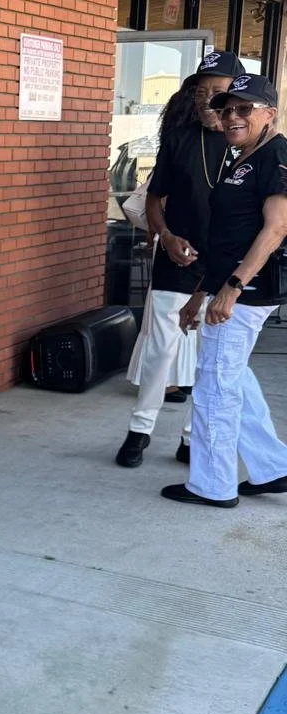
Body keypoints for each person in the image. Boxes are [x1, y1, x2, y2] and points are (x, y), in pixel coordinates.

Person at [163, 72, 287, 507]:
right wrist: (201, 292)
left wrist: (232, 289)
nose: (232, 116)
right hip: (226, 285)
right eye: (227, 108)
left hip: (246, 291)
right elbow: (228, 236)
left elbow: (277, 228)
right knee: (233, 377)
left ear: (269, 113)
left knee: (215, 387)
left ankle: (212, 485)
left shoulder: (276, 155)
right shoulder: (244, 155)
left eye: (244, 108)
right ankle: (273, 466)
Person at [115, 49, 240, 468]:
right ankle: (139, 430)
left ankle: (191, 437)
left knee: (211, 356)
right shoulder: (179, 139)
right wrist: (165, 235)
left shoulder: (252, 147)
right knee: (161, 350)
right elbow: (152, 199)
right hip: (177, 259)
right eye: (200, 91)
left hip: (226, 267)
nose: (206, 99)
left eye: (217, 91)